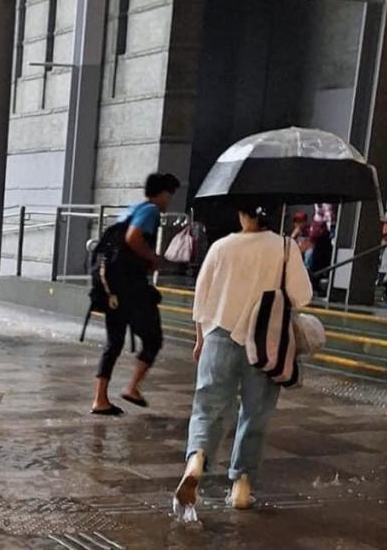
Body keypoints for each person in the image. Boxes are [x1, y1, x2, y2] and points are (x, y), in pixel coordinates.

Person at [174, 204, 312, 511]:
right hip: (265, 342)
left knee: (207, 406)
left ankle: (196, 461)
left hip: (218, 335)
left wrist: (200, 340)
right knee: (256, 412)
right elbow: (302, 296)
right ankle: (241, 485)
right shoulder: (286, 247)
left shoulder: (222, 246)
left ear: (241, 215)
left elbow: (201, 299)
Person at [91, 172, 180, 416]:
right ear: (162, 193)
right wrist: (152, 257)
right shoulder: (150, 211)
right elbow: (133, 238)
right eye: (169, 195)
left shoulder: (132, 208)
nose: (168, 200)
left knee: (114, 341)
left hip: (111, 285)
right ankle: (132, 388)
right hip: (131, 287)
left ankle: (100, 399)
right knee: (154, 338)